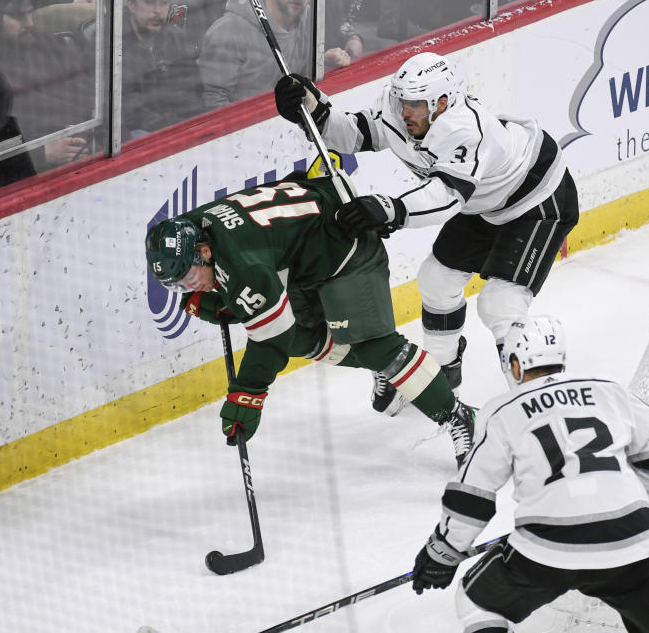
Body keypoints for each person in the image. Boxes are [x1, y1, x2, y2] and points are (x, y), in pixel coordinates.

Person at [274, 52, 579, 418]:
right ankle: (439, 374)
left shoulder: (466, 131)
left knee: (499, 303)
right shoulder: (400, 110)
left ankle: (535, 403)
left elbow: (446, 197)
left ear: (443, 103)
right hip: (483, 201)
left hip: (537, 198)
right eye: (403, 101)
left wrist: (389, 208)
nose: (406, 113)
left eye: (416, 106)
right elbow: (356, 133)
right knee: (436, 281)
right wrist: (313, 109)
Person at [145, 170, 477, 467]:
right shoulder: (190, 228)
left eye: (188, 279)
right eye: (176, 285)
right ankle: (392, 372)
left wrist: (246, 396)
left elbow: (269, 342)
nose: (188, 289)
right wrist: (229, 298)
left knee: (374, 346)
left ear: (203, 252)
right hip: (304, 245)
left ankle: (459, 416)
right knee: (301, 337)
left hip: (345, 242)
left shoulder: (244, 266)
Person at [409, 315, 649, 633]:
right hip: (633, 539)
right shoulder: (607, 390)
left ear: (514, 364)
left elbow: (472, 499)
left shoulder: (502, 411)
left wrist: (444, 549)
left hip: (549, 549)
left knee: (478, 603)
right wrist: (614, 489)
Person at [0, 0, 94, 171]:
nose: (30, 23)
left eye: (30, 13)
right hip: (36, 175)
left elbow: (89, 94)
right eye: (19, 16)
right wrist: (41, 153)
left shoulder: (51, 44)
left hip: (92, 147)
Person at [197, 0, 347, 109]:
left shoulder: (309, 20)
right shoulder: (229, 31)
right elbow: (211, 101)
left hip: (287, 123)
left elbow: (298, 75)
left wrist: (324, 62)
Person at [121, 0, 204, 140]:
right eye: (149, 1)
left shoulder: (176, 38)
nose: (158, 10)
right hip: (138, 133)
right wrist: (169, 124)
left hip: (177, 126)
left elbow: (194, 89)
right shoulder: (111, 44)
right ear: (131, 5)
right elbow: (124, 107)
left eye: (164, 2)